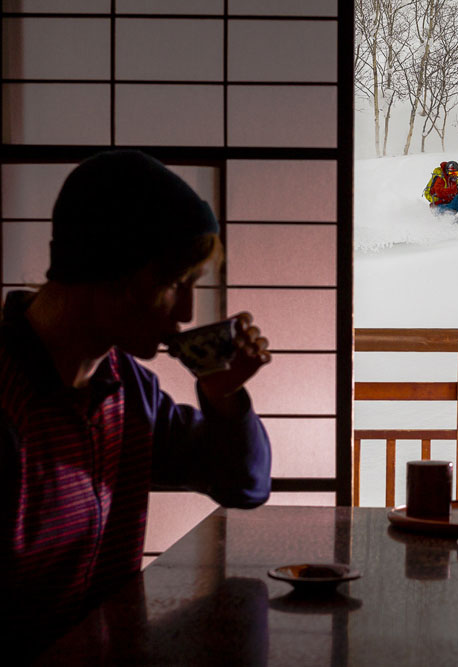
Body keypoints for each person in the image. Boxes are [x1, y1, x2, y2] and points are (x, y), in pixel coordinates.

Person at [0, 150, 273, 659]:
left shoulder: (129, 392)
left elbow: (244, 484)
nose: (189, 312)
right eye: (174, 285)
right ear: (110, 274)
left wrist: (223, 393)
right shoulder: (6, 404)